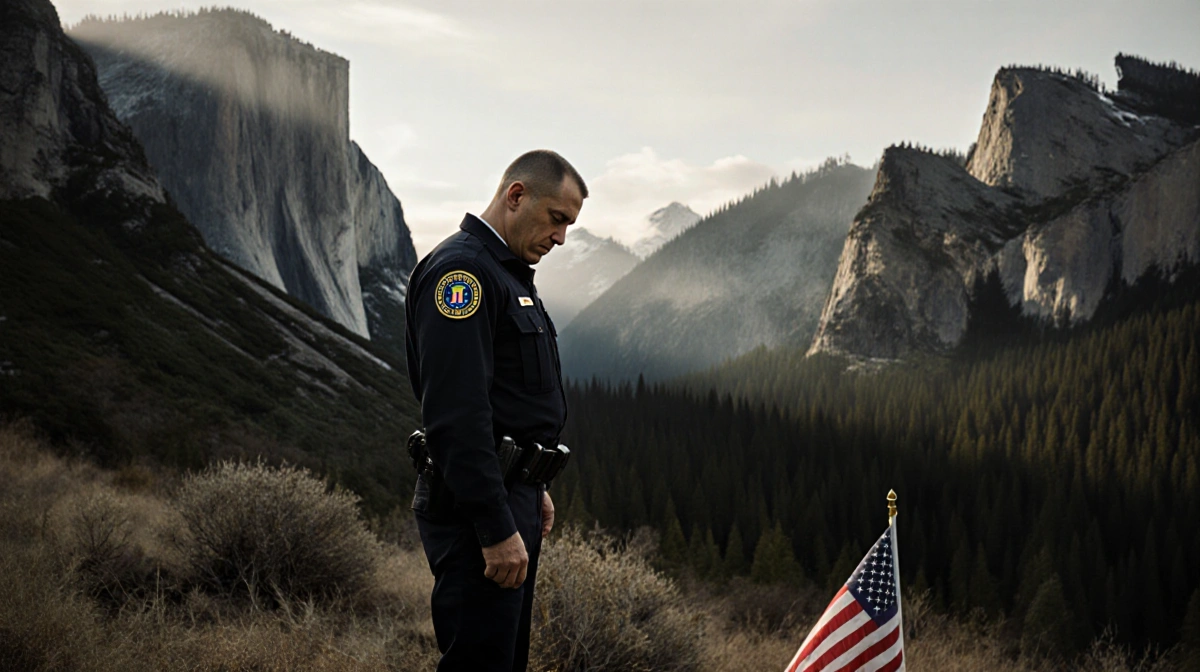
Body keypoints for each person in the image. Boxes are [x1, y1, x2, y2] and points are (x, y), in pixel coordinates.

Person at [404, 149, 586, 671]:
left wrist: (533, 485)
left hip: (510, 494)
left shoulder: (507, 273)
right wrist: (494, 524)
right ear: (515, 196)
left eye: (569, 225)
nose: (561, 238)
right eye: (557, 219)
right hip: (474, 509)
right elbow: (456, 414)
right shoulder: (462, 273)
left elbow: (508, 400)